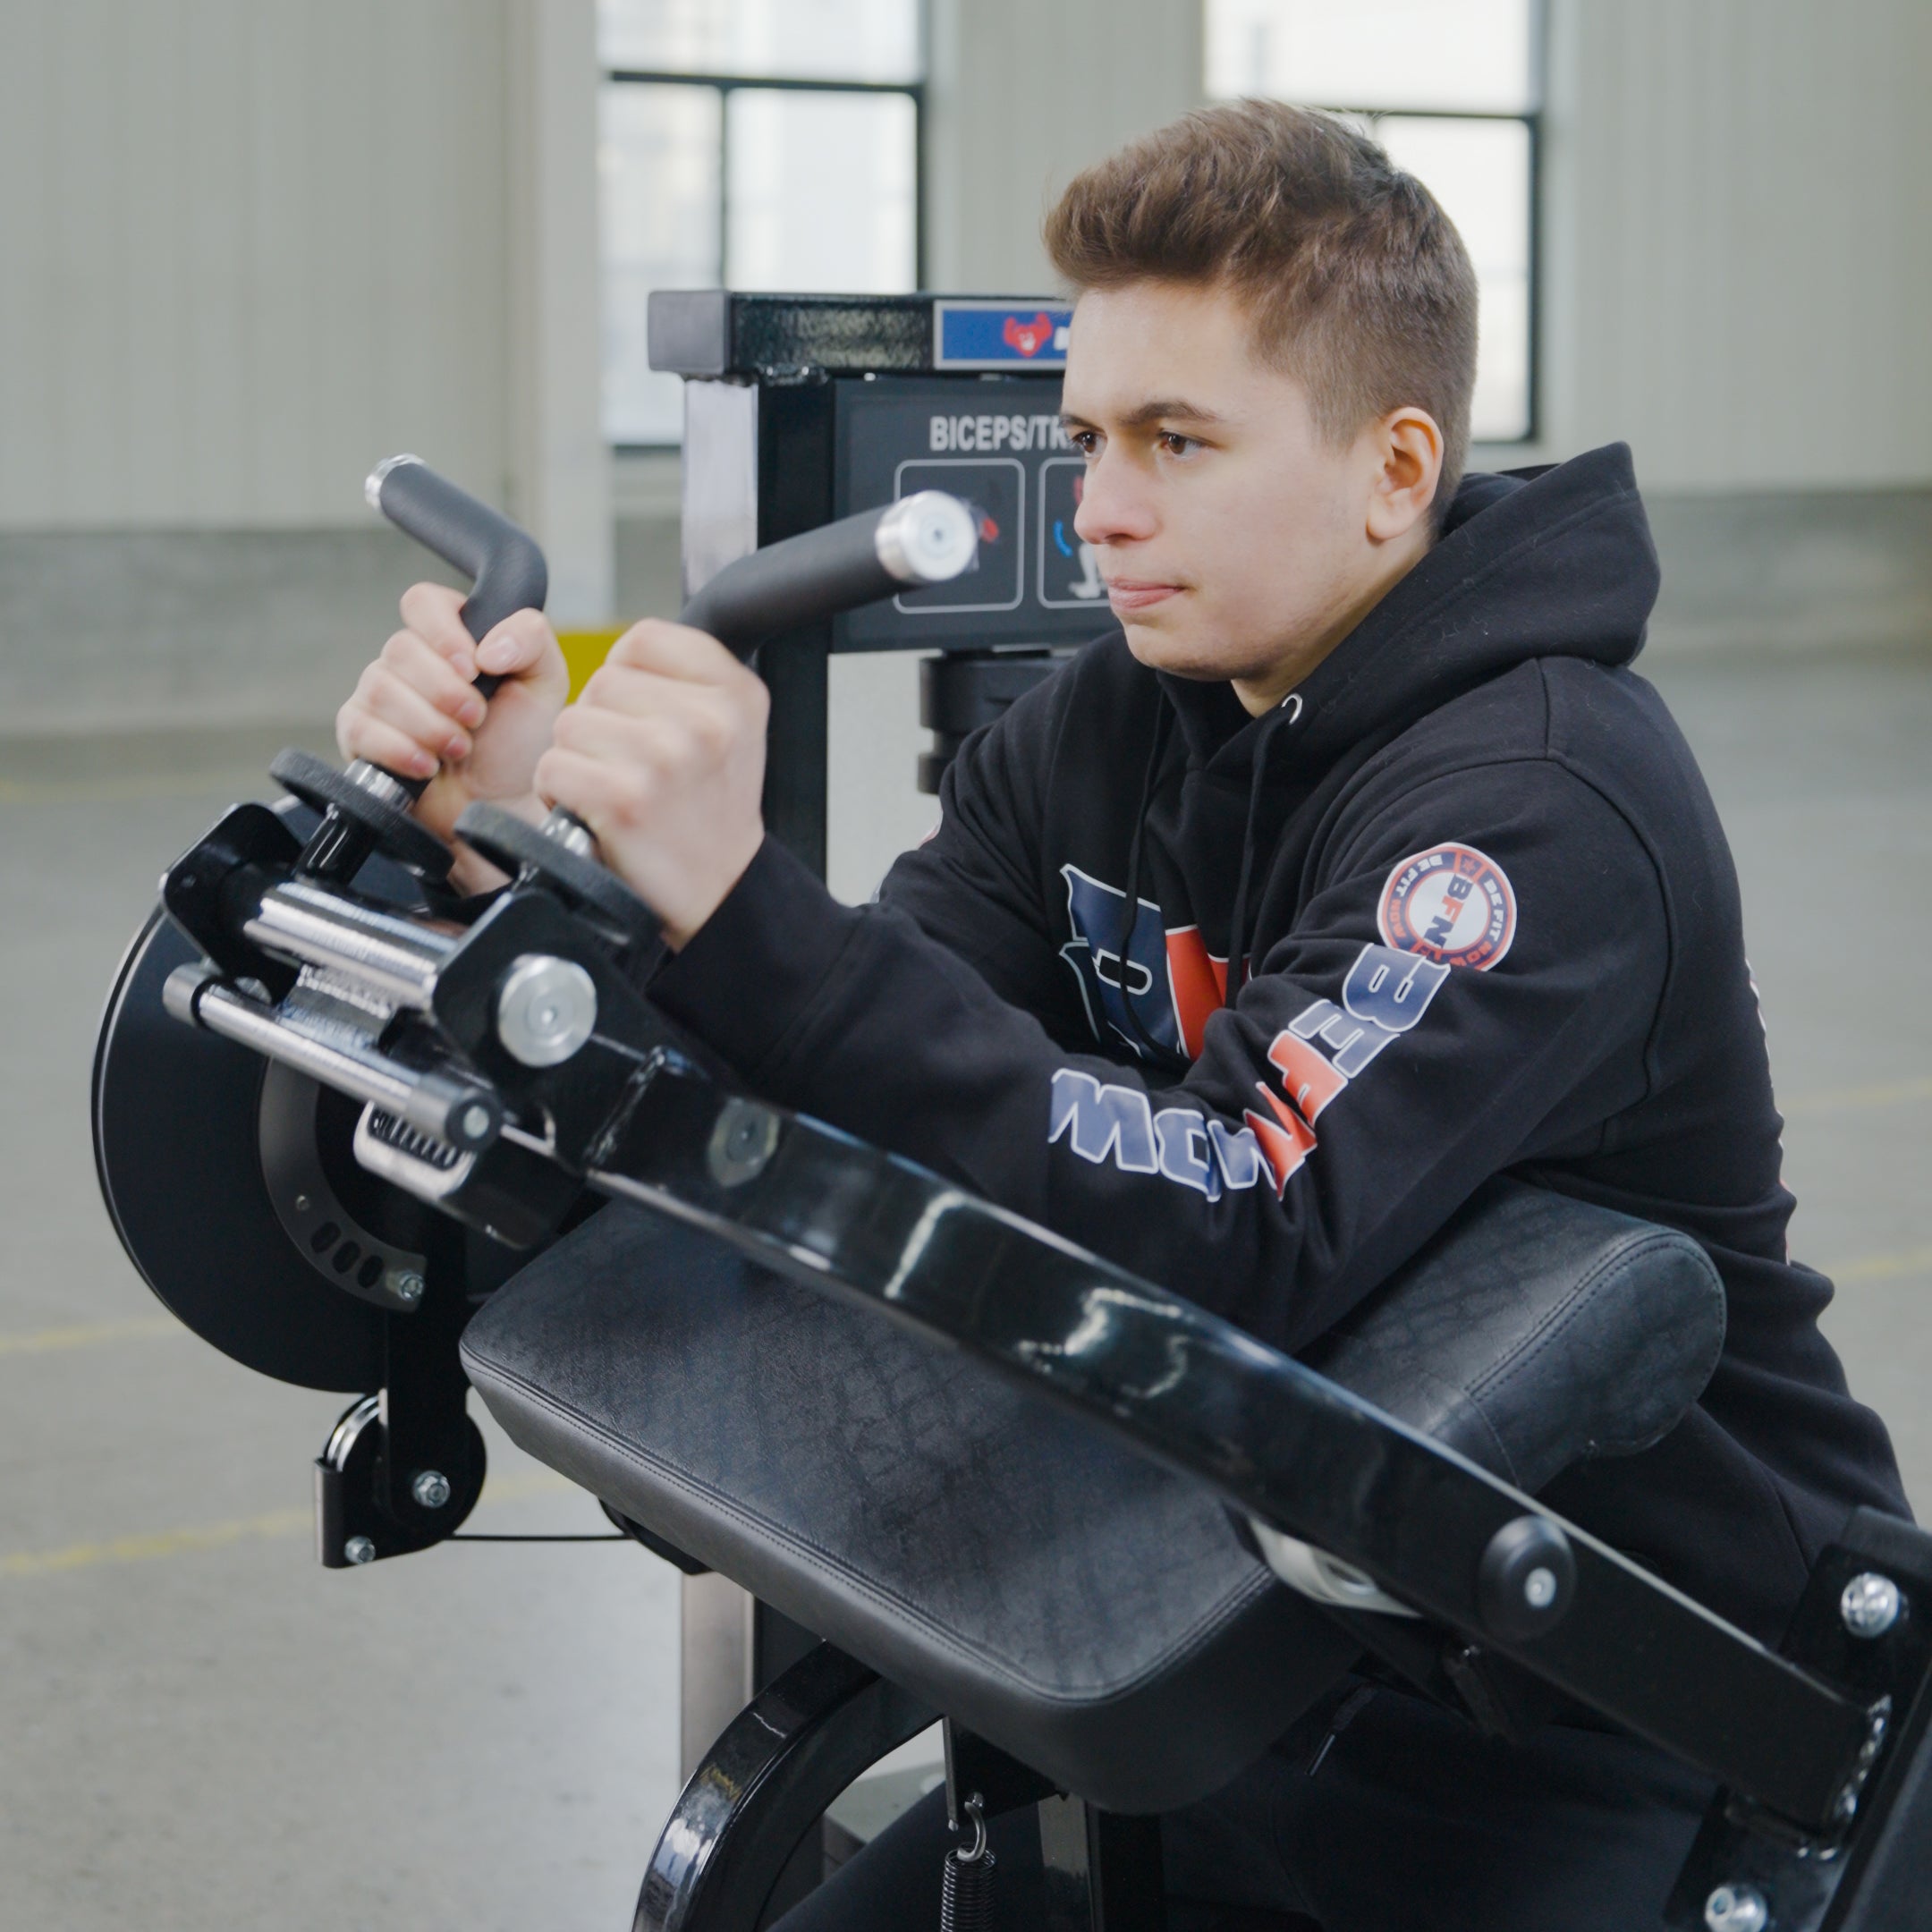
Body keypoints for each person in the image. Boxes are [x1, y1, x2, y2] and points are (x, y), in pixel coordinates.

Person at [336, 102, 1907, 1931]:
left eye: (1179, 441)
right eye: (1089, 439)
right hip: (1259, 1636)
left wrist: (747, 904)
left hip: (1654, 1717)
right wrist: (520, 864)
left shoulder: (1533, 808)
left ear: (1395, 468)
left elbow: (1236, 1218)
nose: (1099, 507)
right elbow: (832, 1074)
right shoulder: (1099, 728)